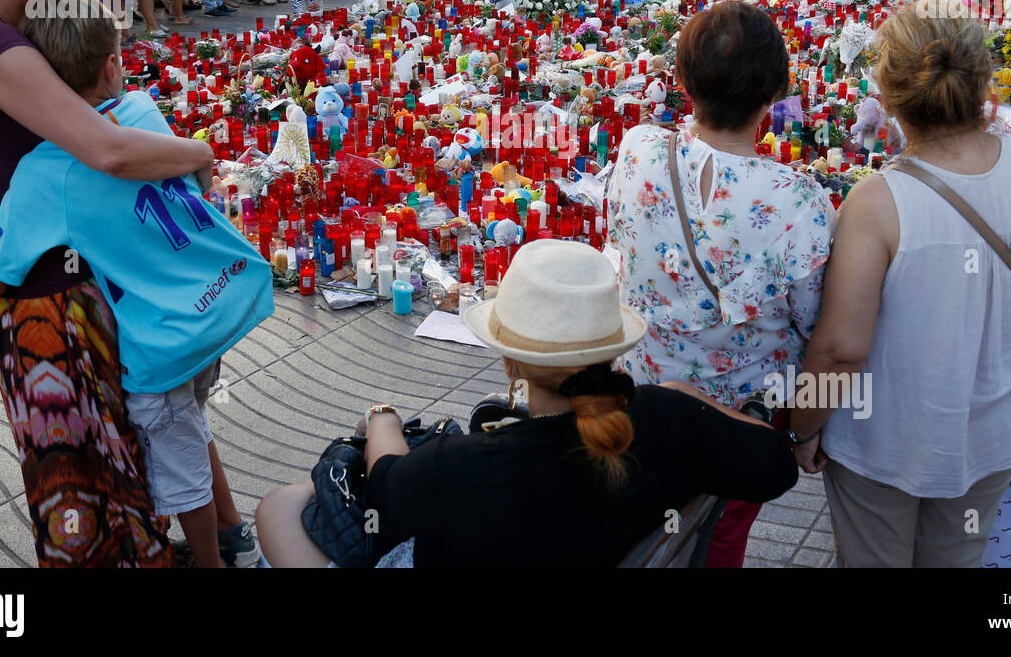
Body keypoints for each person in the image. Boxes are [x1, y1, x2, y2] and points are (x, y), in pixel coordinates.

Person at [0, 0, 214, 566]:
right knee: (95, 504)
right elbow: (108, 151)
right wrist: (198, 150)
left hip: (32, 288)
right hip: (49, 310)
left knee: (106, 484)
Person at [255, 239, 799, 568]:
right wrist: (682, 397)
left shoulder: (465, 468)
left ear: (510, 363)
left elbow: (386, 489)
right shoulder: (669, 421)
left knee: (280, 507)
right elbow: (776, 467)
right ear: (612, 344)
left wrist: (381, 417)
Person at [0, 0, 269, 568]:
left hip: (158, 345)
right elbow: (192, 180)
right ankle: (226, 539)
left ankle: (214, 561)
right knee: (190, 427)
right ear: (111, 64)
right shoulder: (144, 112)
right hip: (207, 316)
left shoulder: (44, 174)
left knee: (181, 466)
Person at [789, 3, 1011, 568]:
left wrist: (803, 426)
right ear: (981, 81)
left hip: (884, 438)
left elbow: (841, 351)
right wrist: (1008, 378)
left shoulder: (877, 201)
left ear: (888, 95)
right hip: (993, 431)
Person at [606, 1, 834, 566]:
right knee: (719, 536)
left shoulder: (638, 149)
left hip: (643, 396)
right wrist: (808, 432)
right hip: (742, 419)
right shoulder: (799, 200)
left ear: (682, 81)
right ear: (774, 92)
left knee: (644, 523)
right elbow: (822, 332)